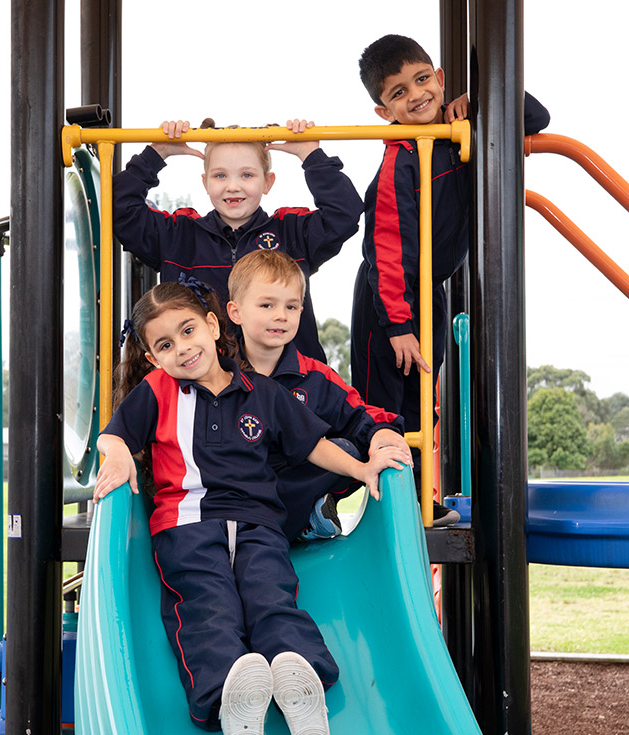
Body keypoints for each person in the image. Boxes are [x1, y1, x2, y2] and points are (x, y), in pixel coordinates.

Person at [93, 278, 411, 734]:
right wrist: (119, 451)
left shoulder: (261, 392)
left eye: (187, 331)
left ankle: (302, 685)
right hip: (186, 527)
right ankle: (230, 698)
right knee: (207, 606)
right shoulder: (158, 392)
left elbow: (312, 444)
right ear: (152, 358)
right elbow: (115, 433)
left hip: (259, 524)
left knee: (273, 597)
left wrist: (361, 468)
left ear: (211, 325)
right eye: (165, 344)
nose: (181, 349)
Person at [350, 34, 551, 524]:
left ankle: (418, 499)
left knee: (424, 403)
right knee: (382, 405)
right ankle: (378, 505)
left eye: (422, 80)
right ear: (384, 111)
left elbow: (535, 118)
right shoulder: (402, 156)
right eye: (398, 93)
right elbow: (386, 248)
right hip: (387, 298)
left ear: (439, 79)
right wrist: (397, 323)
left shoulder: (461, 127)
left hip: (429, 292)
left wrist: (479, 100)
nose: (416, 95)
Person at [112, 117, 364, 363]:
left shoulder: (292, 231)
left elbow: (345, 212)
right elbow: (119, 207)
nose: (233, 186)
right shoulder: (178, 235)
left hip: (289, 387)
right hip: (206, 387)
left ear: (268, 182)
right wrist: (157, 154)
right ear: (205, 182)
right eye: (220, 176)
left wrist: (310, 155)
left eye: (247, 175)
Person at [226, 249, 412, 541]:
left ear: (302, 311)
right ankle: (299, 521)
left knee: (349, 450)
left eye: (291, 307)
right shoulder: (217, 372)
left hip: (287, 490)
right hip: (231, 493)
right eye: (266, 305)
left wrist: (380, 434)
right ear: (235, 312)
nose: (280, 316)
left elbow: (358, 416)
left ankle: (304, 519)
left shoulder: (314, 376)